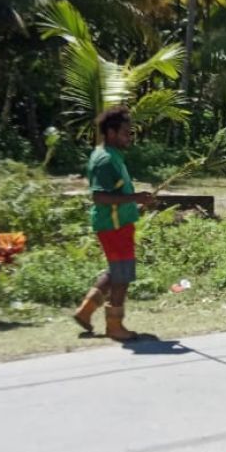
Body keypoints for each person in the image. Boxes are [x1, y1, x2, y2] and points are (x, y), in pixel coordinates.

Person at [73, 107, 156, 340]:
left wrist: (135, 205)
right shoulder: (105, 160)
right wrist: (135, 198)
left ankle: (85, 311)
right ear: (110, 132)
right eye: (125, 133)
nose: (128, 137)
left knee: (116, 271)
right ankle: (114, 327)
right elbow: (99, 197)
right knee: (122, 276)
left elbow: (115, 194)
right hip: (113, 226)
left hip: (118, 222)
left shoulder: (112, 155)